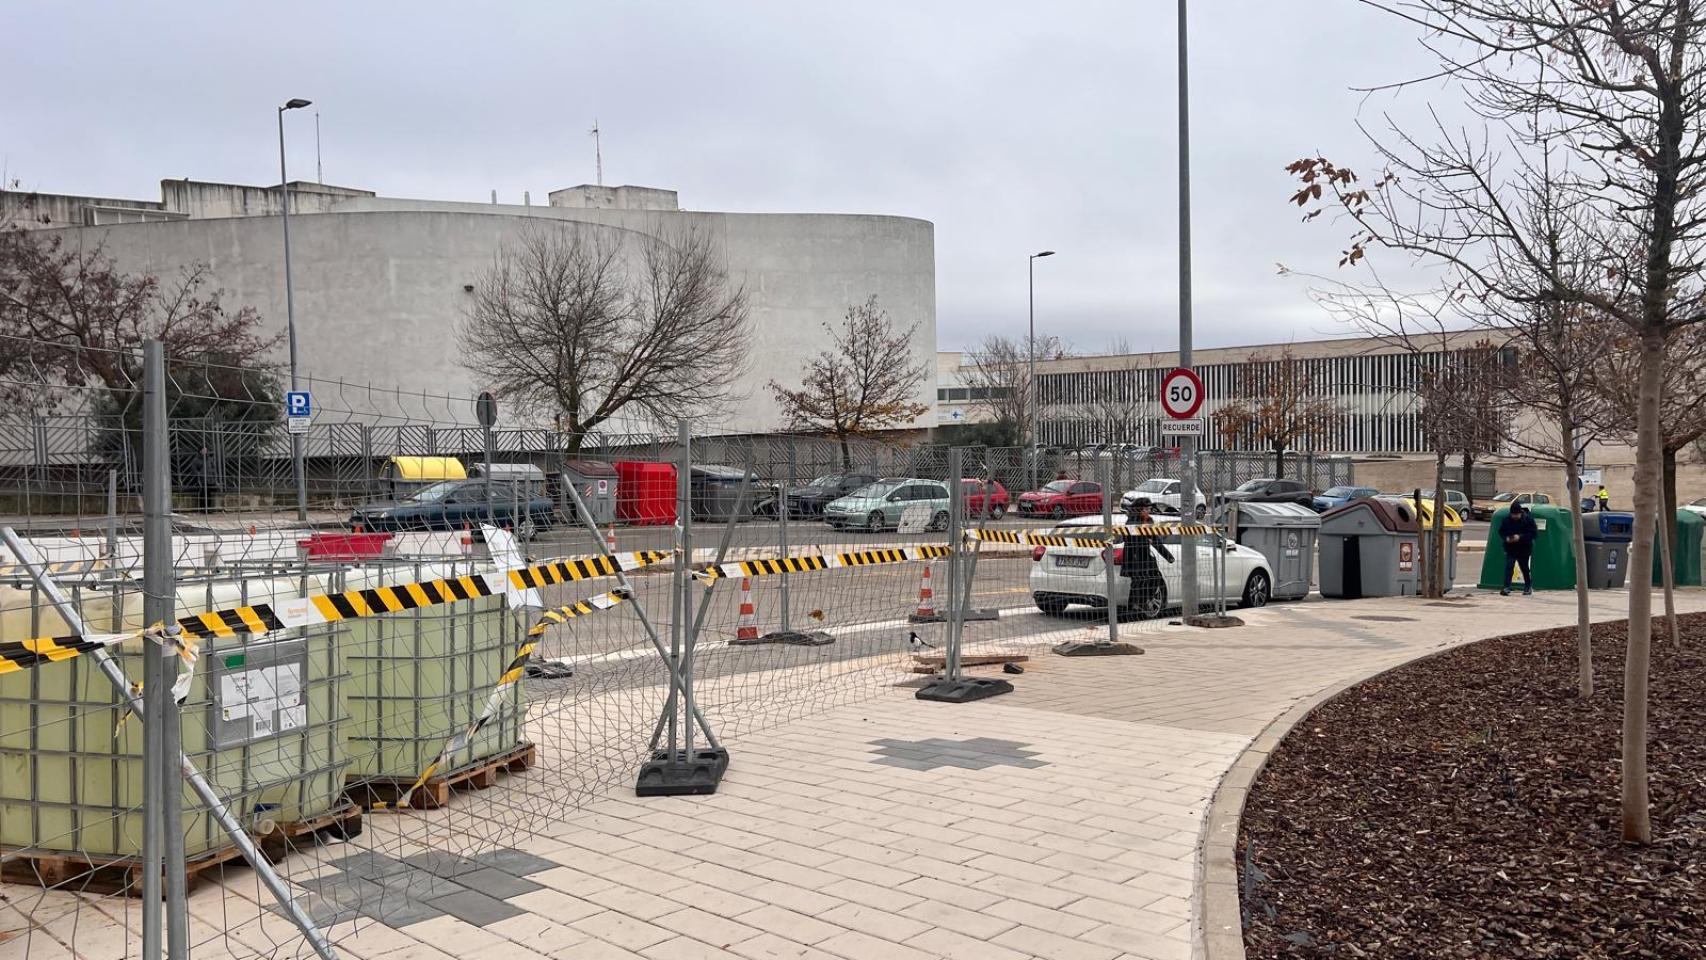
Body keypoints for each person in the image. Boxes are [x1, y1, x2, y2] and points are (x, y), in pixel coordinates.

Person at [1120, 497, 1175, 617]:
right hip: (1134, 557)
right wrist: (1146, 540)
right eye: (1146, 509)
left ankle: (1145, 600)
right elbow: (1129, 539)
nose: (1148, 511)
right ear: (1139, 509)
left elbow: (1155, 540)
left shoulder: (1149, 521)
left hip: (1146, 557)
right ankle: (1134, 607)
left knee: (1155, 577)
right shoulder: (1132, 521)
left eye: (1149, 509)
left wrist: (1168, 556)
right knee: (1138, 581)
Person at [1499, 502, 1539, 596]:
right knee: (1509, 566)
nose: (1515, 516)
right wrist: (1506, 538)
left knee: (1524, 568)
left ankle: (1528, 586)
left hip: (1524, 547)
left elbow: (1533, 534)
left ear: (1520, 513)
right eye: (1513, 514)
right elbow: (1501, 531)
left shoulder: (1528, 520)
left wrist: (1520, 537)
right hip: (1511, 547)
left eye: (1517, 514)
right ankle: (1506, 587)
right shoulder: (1506, 520)